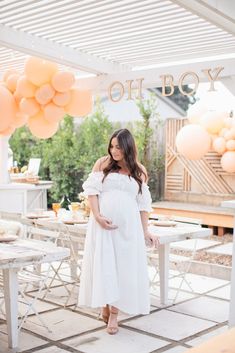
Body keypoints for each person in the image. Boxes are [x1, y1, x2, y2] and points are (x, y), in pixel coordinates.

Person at [78, 128, 159, 335]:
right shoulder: (102, 163)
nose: (114, 151)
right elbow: (92, 191)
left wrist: (145, 231)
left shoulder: (139, 171)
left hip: (129, 228)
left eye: (118, 147)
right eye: (112, 146)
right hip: (104, 226)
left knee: (123, 268)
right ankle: (105, 304)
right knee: (105, 266)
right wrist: (96, 216)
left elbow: (143, 205)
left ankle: (114, 313)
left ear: (128, 147)